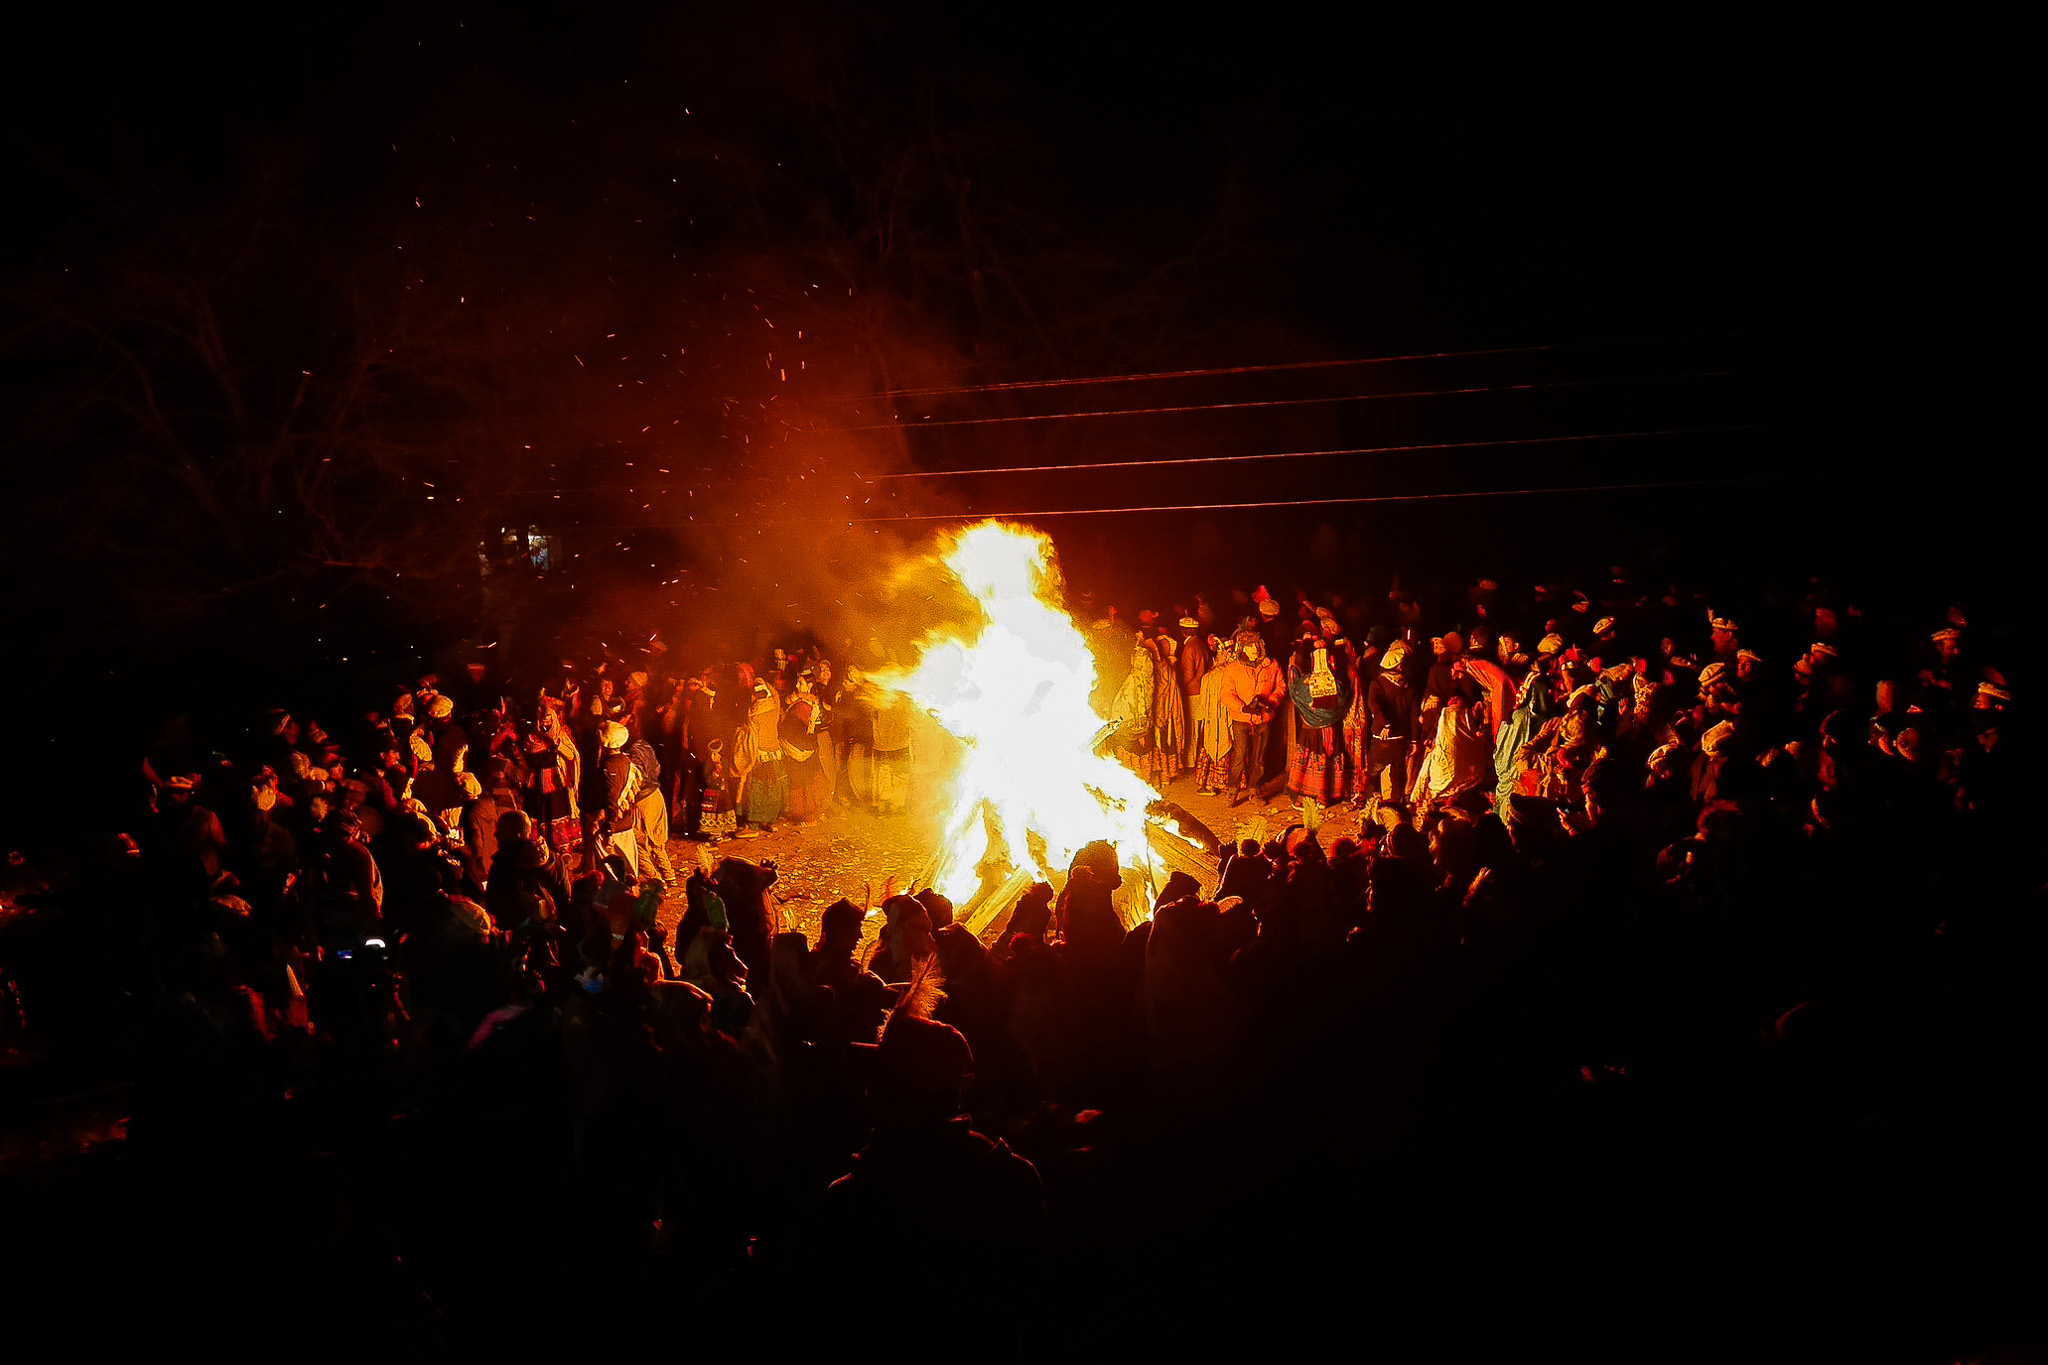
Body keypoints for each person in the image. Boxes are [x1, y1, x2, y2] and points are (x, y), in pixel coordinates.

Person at [1217, 627, 1285, 806]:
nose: (1255, 648)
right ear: (1242, 648)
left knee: (1259, 758)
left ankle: (1255, 790)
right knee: (1239, 756)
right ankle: (1232, 792)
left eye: (1256, 644)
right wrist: (1244, 708)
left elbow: (1281, 686)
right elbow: (1226, 694)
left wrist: (1271, 702)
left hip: (1264, 719)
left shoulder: (1272, 665)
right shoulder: (1233, 669)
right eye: (1249, 645)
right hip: (1241, 719)